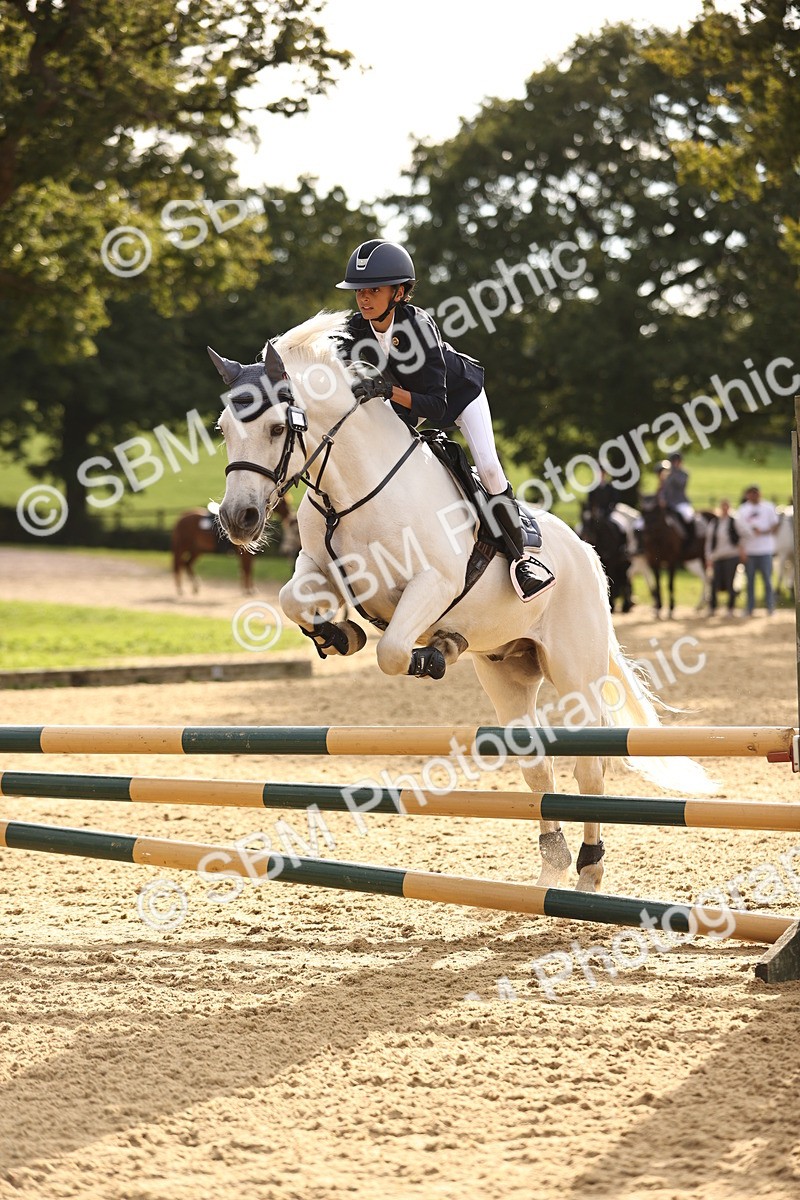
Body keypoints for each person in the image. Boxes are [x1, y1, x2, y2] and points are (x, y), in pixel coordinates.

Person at [335, 239, 555, 601]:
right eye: (359, 291)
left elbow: (437, 406)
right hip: (408, 401)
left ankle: (522, 560)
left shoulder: (419, 327)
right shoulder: (356, 328)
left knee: (489, 468)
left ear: (399, 293)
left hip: (459, 396)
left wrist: (387, 390)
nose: (364, 298)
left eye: (374, 290)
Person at [736, 485, 779, 616]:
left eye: (755, 493)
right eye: (751, 493)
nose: (754, 496)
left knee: (767, 580)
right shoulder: (743, 509)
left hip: (765, 549)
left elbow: (775, 525)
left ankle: (770, 607)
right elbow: (739, 531)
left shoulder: (768, 507)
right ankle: (749, 608)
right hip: (750, 550)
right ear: (747, 495)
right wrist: (742, 549)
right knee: (750, 581)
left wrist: (763, 532)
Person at [704, 499, 743, 616]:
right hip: (717, 556)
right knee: (714, 583)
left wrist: (741, 550)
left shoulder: (734, 521)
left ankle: (730, 608)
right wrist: (708, 557)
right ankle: (712, 607)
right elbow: (709, 541)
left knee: (730, 582)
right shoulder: (715, 523)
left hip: (731, 555)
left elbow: (743, 536)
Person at [658, 452, 695, 543]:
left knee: (688, 517)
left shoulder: (684, 474)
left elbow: (680, 484)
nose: (675, 463)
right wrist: (662, 498)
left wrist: (670, 475)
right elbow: (663, 489)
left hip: (680, 502)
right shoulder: (666, 474)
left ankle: (690, 539)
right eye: (674, 462)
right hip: (668, 503)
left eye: (677, 461)